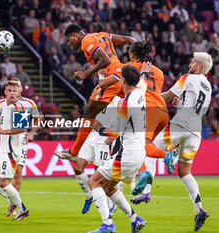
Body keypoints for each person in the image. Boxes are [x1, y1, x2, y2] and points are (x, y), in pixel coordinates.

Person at [134, 52, 212, 231]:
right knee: (185, 171)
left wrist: (145, 100)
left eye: (193, 61)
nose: (190, 63)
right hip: (195, 132)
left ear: (199, 66)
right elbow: (201, 111)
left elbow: (168, 96)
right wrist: (182, 105)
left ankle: (146, 192)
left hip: (179, 126)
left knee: (150, 150)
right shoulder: (208, 86)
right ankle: (199, 209)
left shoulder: (188, 77)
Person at [54, 23, 136, 162]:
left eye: (69, 40)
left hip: (110, 80)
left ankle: (74, 152)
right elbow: (129, 40)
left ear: (75, 35)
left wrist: (86, 73)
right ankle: (124, 138)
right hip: (121, 75)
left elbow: (105, 60)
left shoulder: (86, 41)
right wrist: (137, 60)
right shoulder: (101, 35)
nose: (69, 44)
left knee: (89, 113)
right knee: (127, 113)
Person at [87, 63, 150, 233]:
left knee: (93, 181)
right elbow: (144, 80)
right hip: (139, 153)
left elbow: (116, 132)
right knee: (108, 188)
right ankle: (134, 219)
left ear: (122, 80)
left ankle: (107, 224)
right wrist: (144, 71)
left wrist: (99, 128)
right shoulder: (140, 93)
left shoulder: (126, 102)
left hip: (127, 154)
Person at [120, 40, 177, 201]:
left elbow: (123, 87)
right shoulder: (159, 72)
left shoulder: (129, 68)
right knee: (143, 145)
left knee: (140, 145)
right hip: (162, 112)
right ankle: (144, 181)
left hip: (148, 111)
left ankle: (166, 155)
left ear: (132, 54)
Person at [0, 78, 39, 215]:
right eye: (9, 90)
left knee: (17, 173)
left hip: (19, 144)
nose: (12, 92)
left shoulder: (27, 104)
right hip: (4, 144)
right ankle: (10, 200)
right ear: (5, 91)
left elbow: (36, 119)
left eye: (15, 89)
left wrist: (32, 132)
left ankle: (15, 205)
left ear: (20, 89)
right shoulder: (1, 104)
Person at [74, 95, 120, 215]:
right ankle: (89, 196)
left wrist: (114, 133)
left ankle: (110, 206)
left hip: (103, 138)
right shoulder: (98, 94)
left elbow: (124, 120)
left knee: (98, 176)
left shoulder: (119, 98)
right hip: (91, 135)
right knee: (78, 167)